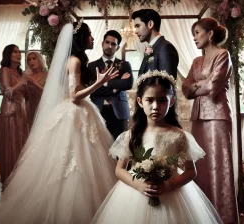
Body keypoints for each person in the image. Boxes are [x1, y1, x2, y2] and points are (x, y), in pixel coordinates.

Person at [0, 21, 119, 224]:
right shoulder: (74, 61)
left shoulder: (76, 60)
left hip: (78, 113)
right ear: (80, 38)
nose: (93, 39)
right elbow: (74, 96)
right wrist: (99, 83)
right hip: (75, 112)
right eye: (90, 35)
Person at [92, 70, 222, 224]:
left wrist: (168, 186)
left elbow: (190, 171)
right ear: (140, 101)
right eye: (150, 100)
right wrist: (138, 185)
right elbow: (120, 170)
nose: (155, 106)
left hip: (171, 193)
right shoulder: (132, 134)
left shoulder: (179, 135)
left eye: (161, 100)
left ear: (171, 101)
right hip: (136, 192)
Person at [182, 17, 238, 223]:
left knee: (218, 167)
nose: (194, 38)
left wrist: (197, 84)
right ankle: (200, 216)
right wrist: (198, 85)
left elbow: (214, 87)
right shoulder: (197, 61)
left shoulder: (223, 54)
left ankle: (222, 217)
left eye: (197, 33)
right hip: (198, 116)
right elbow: (185, 88)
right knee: (200, 165)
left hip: (218, 116)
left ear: (210, 34)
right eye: (193, 34)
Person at [89, 30, 133, 139]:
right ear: (102, 43)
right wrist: (115, 88)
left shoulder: (124, 65)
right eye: (107, 42)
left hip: (119, 112)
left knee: (119, 148)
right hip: (97, 110)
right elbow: (92, 89)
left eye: (113, 44)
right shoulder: (91, 66)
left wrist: (104, 83)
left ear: (117, 47)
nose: (109, 46)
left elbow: (127, 84)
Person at [0, 44, 30, 185]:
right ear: (8, 55)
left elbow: (26, 95)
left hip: (22, 110)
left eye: (19, 52)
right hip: (10, 111)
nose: (18, 54)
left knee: (22, 143)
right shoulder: (4, 70)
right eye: (15, 52)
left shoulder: (20, 73)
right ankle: (10, 180)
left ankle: (21, 179)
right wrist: (22, 82)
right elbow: (7, 92)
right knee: (12, 144)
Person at [132, 9, 179, 78]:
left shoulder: (165, 48)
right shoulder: (152, 47)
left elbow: (166, 84)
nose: (136, 32)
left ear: (150, 24)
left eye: (138, 26)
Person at [24, 51, 48, 128]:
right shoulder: (26, 75)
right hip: (30, 107)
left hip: (44, 107)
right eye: (29, 60)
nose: (31, 61)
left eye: (34, 58)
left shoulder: (47, 74)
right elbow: (23, 94)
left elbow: (48, 93)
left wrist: (34, 83)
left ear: (40, 60)